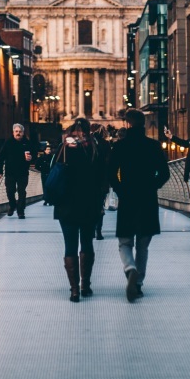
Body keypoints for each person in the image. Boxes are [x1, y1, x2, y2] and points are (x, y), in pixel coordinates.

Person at [108, 108, 170, 302]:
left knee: (124, 242)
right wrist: (153, 185)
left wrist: (120, 190)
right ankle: (139, 284)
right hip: (147, 199)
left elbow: (110, 173)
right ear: (143, 124)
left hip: (128, 199)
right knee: (143, 245)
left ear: (127, 124)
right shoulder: (153, 145)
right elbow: (165, 173)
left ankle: (130, 269)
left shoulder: (120, 146)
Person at [52, 118, 106, 302]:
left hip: (66, 205)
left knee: (70, 246)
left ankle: (74, 290)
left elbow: (52, 171)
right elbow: (102, 176)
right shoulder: (93, 148)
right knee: (87, 244)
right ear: (88, 131)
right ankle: (86, 285)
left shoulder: (63, 148)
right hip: (89, 204)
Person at [0, 123, 36, 219]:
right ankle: (12, 205)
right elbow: (0, 157)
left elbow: (34, 154)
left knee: (22, 191)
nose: (18, 133)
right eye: (16, 131)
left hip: (23, 172)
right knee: (10, 191)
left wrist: (31, 158)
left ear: (23, 133)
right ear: (13, 132)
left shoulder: (28, 143)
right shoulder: (8, 143)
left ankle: (20, 211)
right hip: (10, 172)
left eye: (20, 132)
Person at [91, 123, 112, 240]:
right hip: (102, 181)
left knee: (90, 205)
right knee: (100, 205)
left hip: (89, 181)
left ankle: (91, 229)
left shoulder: (87, 143)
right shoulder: (106, 144)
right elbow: (110, 163)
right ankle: (98, 231)